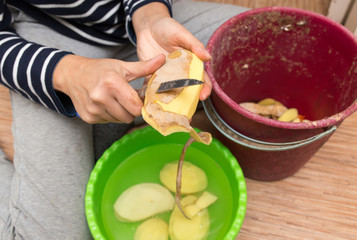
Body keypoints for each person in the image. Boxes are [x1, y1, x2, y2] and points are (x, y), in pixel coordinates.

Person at [0, 0, 247, 239]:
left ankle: (103, 129)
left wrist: (151, 17)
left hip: (135, 25)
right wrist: (65, 73)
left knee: (250, 38)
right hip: (42, 45)